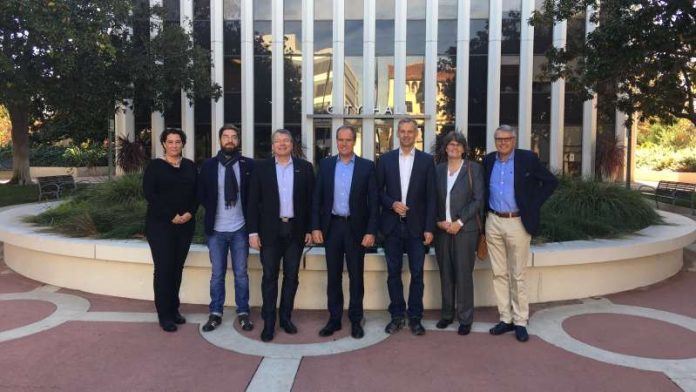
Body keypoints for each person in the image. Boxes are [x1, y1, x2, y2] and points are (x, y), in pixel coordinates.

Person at [483, 125, 558, 342]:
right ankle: (505, 318)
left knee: (518, 274)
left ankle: (520, 320)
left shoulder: (528, 159)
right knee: (499, 273)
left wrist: (533, 205)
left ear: (514, 140)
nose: (502, 143)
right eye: (498, 139)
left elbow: (550, 182)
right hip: (493, 221)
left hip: (517, 222)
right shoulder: (489, 160)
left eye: (506, 139)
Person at [311, 125, 378, 339]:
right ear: (336, 141)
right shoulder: (326, 164)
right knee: (333, 276)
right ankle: (334, 319)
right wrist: (315, 227)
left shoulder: (367, 167)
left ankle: (356, 320)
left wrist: (371, 231)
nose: (344, 143)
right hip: (332, 227)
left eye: (348, 140)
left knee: (356, 276)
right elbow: (317, 199)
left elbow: (373, 203)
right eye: (340, 139)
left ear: (354, 141)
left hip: (356, 229)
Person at [247, 129, 314, 342]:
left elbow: (312, 202)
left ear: (292, 144)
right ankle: (269, 323)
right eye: (278, 141)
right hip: (269, 232)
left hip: (295, 231)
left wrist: (312, 229)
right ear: (273, 145)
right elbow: (252, 202)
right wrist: (253, 232)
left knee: (292, 277)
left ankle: (285, 318)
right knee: (269, 277)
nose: (282, 144)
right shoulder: (261, 168)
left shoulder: (305, 168)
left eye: (286, 140)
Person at [376, 117, 436, 336]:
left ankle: (415, 317)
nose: (406, 135)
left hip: (417, 228)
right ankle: (396, 315)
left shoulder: (427, 161)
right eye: (402, 131)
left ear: (416, 134)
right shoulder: (385, 160)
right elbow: (377, 192)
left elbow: (431, 198)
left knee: (417, 274)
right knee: (393, 273)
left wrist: (429, 228)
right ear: (397, 134)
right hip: (392, 226)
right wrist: (392, 203)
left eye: (410, 131)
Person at [198, 124, 255, 332]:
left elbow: (254, 196)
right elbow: (202, 193)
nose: (229, 140)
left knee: (241, 273)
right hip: (216, 230)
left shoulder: (248, 165)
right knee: (217, 274)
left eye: (233, 137)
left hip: (240, 228)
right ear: (220, 140)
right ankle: (215, 312)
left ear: (238, 141)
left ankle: (243, 312)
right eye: (226, 136)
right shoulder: (209, 165)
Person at [143, 128, 198, 332]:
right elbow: (150, 194)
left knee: (177, 269)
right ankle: (164, 314)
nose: (174, 145)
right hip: (160, 226)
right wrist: (171, 215)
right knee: (164, 269)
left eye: (178, 141)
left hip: (185, 225)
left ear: (183, 144)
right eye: (170, 142)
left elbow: (197, 193)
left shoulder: (190, 167)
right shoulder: (155, 167)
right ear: (164, 144)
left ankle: (174, 310)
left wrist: (189, 213)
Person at [433, 131, 484, 336]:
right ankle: (447, 315)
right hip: (442, 230)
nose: (454, 148)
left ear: (464, 149)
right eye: (450, 145)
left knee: (463, 274)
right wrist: (438, 222)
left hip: (465, 230)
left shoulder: (474, 169)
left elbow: (478, 199)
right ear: (445, 148)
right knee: (445, 273)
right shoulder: (438, 170)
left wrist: (459, 221)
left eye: (458, 145)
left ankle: (465, 318)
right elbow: (432, 198)